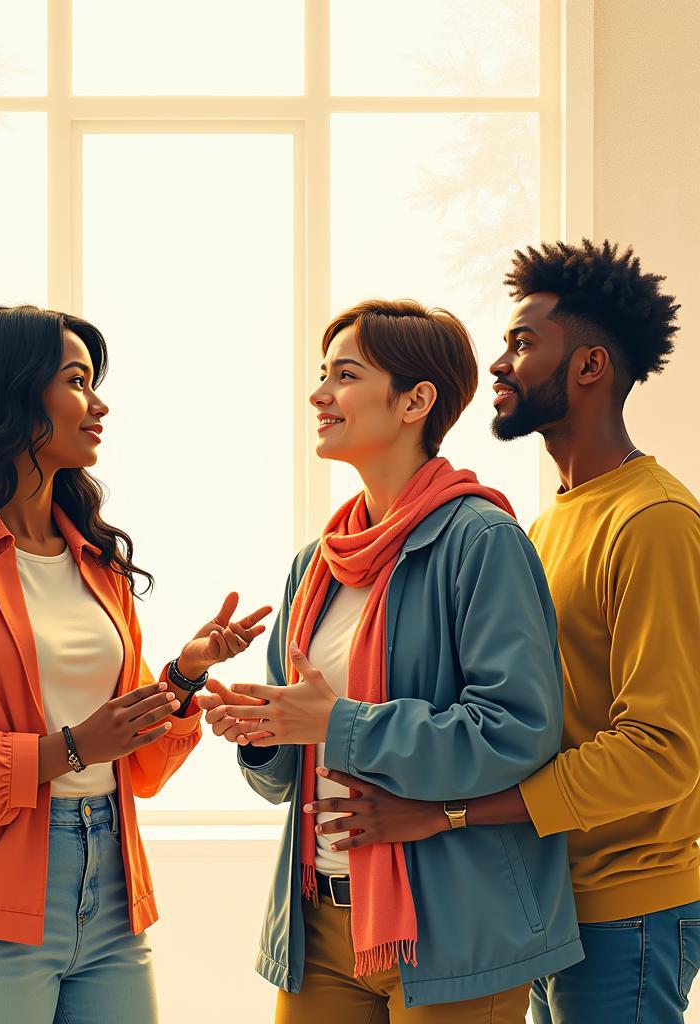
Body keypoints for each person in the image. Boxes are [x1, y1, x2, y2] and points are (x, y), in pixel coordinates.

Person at [0, 304, 271, 1023]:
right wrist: (69, 748)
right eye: (76, 381)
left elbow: (138, 764)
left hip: (112, 890)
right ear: (11, 395)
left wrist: (183, 680)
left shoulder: (96, 562)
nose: (99, 404)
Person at [310, 241, 700, 1023]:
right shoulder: (548, 520)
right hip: (533, 888)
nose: (499, 363)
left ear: (588, 367)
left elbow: (663, 750)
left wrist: (452, 813)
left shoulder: (654, 521)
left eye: (524, 344)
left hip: (624, 902)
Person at [198, 298, 583, 1021]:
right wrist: (263, 730)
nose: (319, 395)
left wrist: (339, 722)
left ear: (416, 400)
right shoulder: (316, 564)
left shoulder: (481, 540)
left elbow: (517, 730)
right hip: (319, 923)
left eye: (344, 375)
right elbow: (290, 777)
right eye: (321, 375)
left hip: (458, 927)